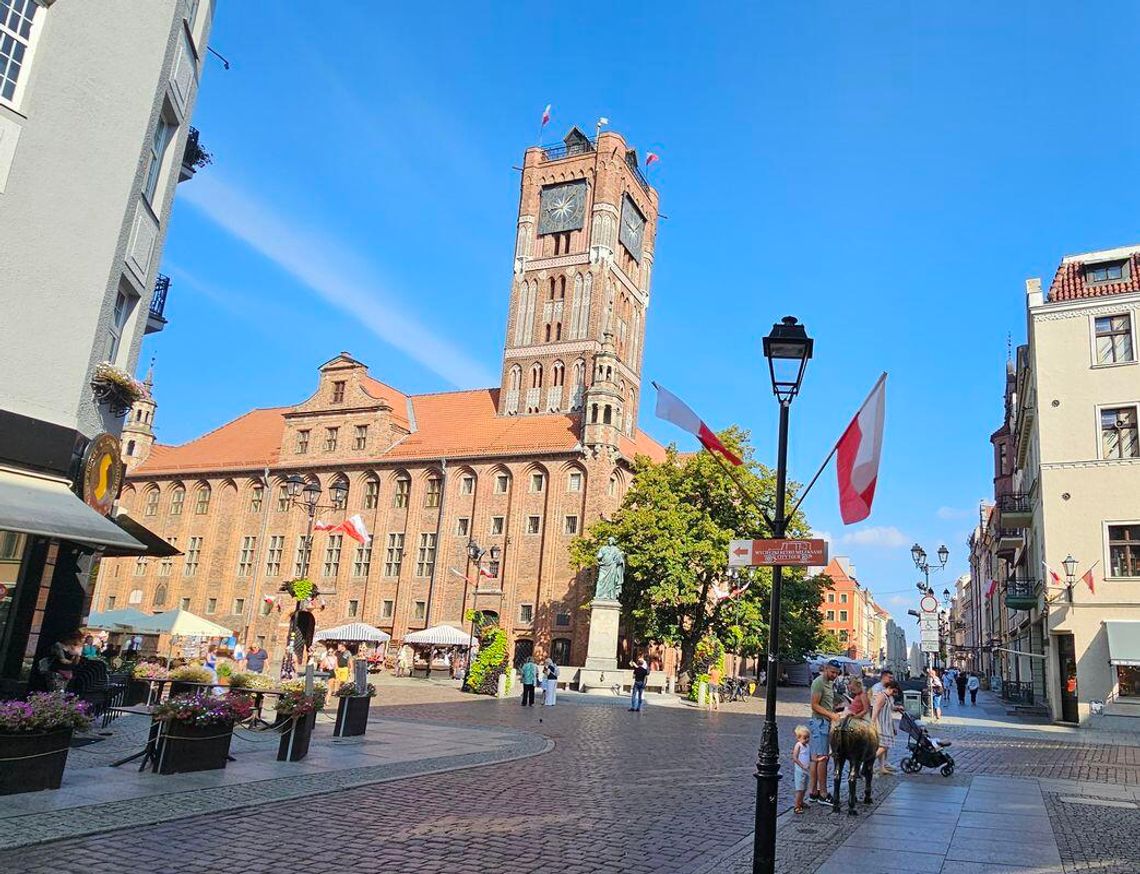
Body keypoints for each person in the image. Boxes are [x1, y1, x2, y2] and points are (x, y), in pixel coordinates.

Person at [807, 659, 841, 806]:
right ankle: (823, 794)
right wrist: (831, 715)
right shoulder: (819, 682)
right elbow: (814, 705)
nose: (834, 675)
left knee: (816, 759)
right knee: (822, 759)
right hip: (819, 723)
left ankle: (813, 792)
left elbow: (826, 702)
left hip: (823, 722)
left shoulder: (829, 683)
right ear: (826, 669)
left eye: (837, 673)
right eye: (832, 672)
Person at [872, 678, 900, 774]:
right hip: (881, 724)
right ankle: (868, 761)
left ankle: (881, 767)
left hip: (886, 724)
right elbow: (875, 711)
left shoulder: (888, 697)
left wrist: (897, 708)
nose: (894, 694)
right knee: (884, 746)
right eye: (894, 691)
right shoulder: (881, 696)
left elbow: (890, 708)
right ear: (889, 688)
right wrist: (873, 724)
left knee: (883, 747)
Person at [791, 725, 812, 814]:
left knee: (804, 788)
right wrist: (802, 765)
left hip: (806, 770)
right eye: (804, 738)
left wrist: (819, 759)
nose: (807, 739)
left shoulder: (807, 746)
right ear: (798, 738)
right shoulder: (798, 745)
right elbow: (795, 758)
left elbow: (810, 757)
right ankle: (796, 806)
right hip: (800, 770)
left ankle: (801, 802)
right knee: (799, 789)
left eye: (808, 737)